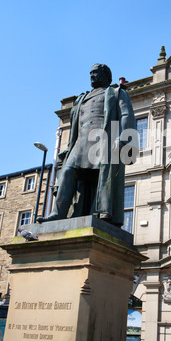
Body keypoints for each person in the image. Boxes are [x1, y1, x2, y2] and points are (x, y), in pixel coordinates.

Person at [38, 63, 138, 227]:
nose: (91, 76)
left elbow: (126, 116)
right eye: (90, 73)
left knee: (101, 179)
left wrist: (123, 139)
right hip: (80, 144)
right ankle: (57, 213)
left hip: (103, 140)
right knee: (67, 173)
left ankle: (99, 213)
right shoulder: (81, 99)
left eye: (95, 73)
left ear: (106, 75)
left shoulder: (116, 93)